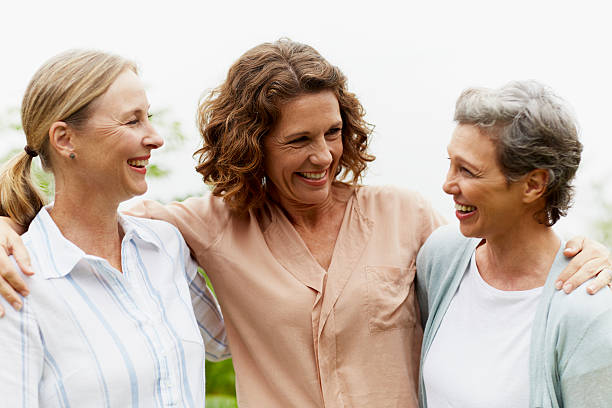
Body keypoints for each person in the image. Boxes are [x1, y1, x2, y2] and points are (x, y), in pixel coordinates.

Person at [0, 41, 610, 407]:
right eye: (297, 140)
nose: (323, 155)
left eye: (333, 132)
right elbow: (82, 220)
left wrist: (588, 250)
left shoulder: (412, 219)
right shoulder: (201, 228)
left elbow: (504, 261)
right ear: (253, 145)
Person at [0, 50, 228, 407]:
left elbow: (226, 340)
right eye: (132, 121)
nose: (155, 137)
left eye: (148, 118)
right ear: (64, 139)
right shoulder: (16, 283)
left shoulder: (166, 245)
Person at [416, 81, 612, 407]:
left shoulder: (589, 313)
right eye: (450, 163)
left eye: (467, 171)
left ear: (533, 184)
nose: (448, 184)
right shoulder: (441, 257)